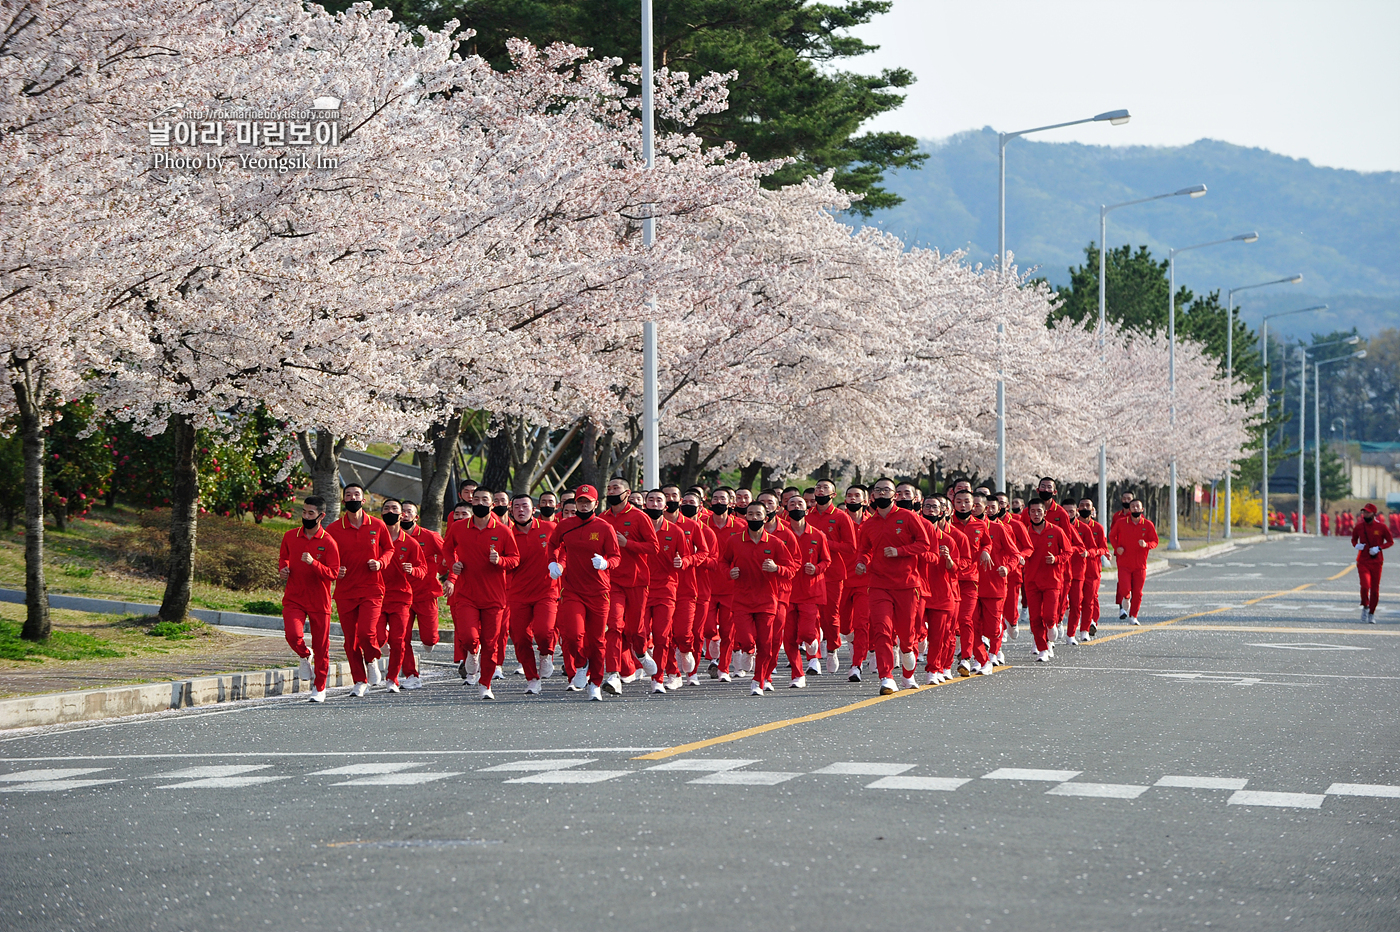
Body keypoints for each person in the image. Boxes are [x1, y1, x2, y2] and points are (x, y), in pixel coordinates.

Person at [854, 477, 931, 695]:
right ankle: (886, 677)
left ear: (894, 495)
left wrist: (900, 552)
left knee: (907, 636)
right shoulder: (868, 524)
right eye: (877, 490)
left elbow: (924, 544)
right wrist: (862, 562)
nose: (881, 494)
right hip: (879, 584)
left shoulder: (908, 517)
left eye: (886, 490)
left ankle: (908, 672)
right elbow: (864, 550)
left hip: (906, 584)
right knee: (882, 630)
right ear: (873, 496)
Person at [442, 487, 521, 699]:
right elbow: (447, 549)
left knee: (491, 642)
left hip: (494, 596)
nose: (479, 503)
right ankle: (471, 651)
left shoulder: (503, 531)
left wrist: (500, 561)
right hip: (467, 593)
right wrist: (453, 564)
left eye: (484, 499)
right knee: (468, 636)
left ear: (492, 504)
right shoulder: (459, 528)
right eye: (475, 499)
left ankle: (485, 684)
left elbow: (515, 559)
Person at [548, 485, 623, 700]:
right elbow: (553, 545)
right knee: (572, 634)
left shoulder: (604, 527)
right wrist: (552, 562)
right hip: (572, 590)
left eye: (587, 502)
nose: (583, 505)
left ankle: (596, 683)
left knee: (598, 640)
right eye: (580, 501)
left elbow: (616, 557)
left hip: (599, 591)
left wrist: (606, 563)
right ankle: (581, 664)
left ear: (595, 504)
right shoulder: (565, 525)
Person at [722, 501, 797, 697]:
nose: (754, 518)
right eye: (751, 514)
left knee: (766, 644)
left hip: (767, 600)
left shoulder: (775, 543)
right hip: (742, 600)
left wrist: (776, 569)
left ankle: (758, 680)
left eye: (758, 514)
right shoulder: (734, 541)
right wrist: (730, 573)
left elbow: (791, 570)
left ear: (766, 518)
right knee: (746, 640)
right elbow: (722, 562)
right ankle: (748, 652)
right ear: (745, 517)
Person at [326, 483, 393, 697]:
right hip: (345, 591)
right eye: (348, 495)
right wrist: (335, 570)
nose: (352, 497)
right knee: (350, 640)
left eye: (357, 495)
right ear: (343, 500)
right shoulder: (334, 529)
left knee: (366, 632)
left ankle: (371, 658)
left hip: (372, 588)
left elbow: (389, 549)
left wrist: (381, 562)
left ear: (363, 500)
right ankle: (359, 681)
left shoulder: (377, 525)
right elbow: (326, 557)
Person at [600, 477, 660, 694]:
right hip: (612, 580)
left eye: (616, 488)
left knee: (635, 629)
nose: (611, 491)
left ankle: (642, 653)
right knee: (614, 625)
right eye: (609, 488)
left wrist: (627, 544)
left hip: (637, 581)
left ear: (627, 492)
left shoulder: (639, 517)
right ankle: (613, 675)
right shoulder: (602, 519)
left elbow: (654, 547)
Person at [278, 495, 340, 703]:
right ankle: (305, 654)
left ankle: (319, 687)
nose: (305, 516)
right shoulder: (290, 536)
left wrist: (314, 563)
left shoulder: (329, 542)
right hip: (294, 597)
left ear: (321, 516)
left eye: (310, 513)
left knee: (322, 646)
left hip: (319, 600)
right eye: (304, 512)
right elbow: (283, 558)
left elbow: (333, 572)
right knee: (292, 635)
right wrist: (283, 569)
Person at [506, 493, 558, 695]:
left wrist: (559, 565)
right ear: (511, 510)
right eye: (516, 506)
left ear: (533, 509)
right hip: (518, 593)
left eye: (525, 506)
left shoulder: (549, 528)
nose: (520, 510)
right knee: (520, 638)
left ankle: (546, 653)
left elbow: (563, 551)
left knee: (544, 632)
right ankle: (532, 678)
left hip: (546, 591)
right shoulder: (507, 534)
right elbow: (503, 561)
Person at [642, 489, 693, 693]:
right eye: (651, 500)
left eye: (659, 501)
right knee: (639, 634)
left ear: (666, 506)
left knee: (662, 636)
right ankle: (670, 670)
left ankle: (659, 678)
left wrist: (683, 561)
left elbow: (688, 557)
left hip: (665, 589)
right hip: (640, 589)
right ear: (645, 504)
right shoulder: (637, 529)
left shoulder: (675, 531)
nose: (655, 503)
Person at [375, 498, 427, 692]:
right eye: (386, 508)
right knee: (377, 637)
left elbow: (423, 570)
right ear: (382, 514)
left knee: (399, 641)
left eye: (394, 508)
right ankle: (382, 648)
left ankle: (392, 679)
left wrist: (412, 570)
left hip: (401, 598)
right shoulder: (374, 540)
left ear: (402, 515)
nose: (390, 511)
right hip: (376, 596)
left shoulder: (411, 543)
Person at [809, 478, 857, 677]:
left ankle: (832, 649)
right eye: (818, 487)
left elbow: (851, 547)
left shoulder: (841, 517)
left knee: (831, 616)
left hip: (833, 574)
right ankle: (813, 657)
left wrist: (826, 543)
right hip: (810, 574)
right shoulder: (807, 516)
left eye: (825, 488)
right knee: (811, 615)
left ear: (833, 494)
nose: (820, 490)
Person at [782, 496, 831, 688]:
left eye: (800, 504)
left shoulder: (817, 535)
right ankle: (798, 674)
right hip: (786, 592)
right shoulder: (781, 534)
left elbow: (826, 561)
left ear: (807, 508)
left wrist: (817, 568)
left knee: (807, 632)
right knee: (789, 636)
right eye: (792, 504)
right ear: (785, 507)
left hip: (810, 591)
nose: (796, 507)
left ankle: (813, 645)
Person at [398, 502, 444, 689]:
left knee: (429, 638)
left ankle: (431, 641)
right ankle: (411, 675)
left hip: (426, 594)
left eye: (409, 512)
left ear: (416, 517)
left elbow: (449, 554)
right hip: (401, 596)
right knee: (401, 637)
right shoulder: (390, 537)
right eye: (402, 512)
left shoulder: (429, 536)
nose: (405, 515)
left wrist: (447, 575)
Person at [1023, 499, 1072, 662]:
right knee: (1035, 618)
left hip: (1052, 580)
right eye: (1033, 511)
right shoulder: (1025, 532)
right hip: (1031, 581)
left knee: (1050, 616)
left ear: (1045, 513)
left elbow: (1068, 552)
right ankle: (1043, 648)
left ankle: (1051, 630)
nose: (1036, 514)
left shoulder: (1056, 531)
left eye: (1039, 511)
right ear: (1028, 513)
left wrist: (1057, 559)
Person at [950, 488, 989, 676]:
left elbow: (987, 542)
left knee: (966, 619)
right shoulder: (948, 525)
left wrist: (986, 551)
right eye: (958, 501)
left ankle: (968, 658)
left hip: (969, 579)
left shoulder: (980, 526)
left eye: (966, 501)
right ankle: (943, 663)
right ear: (953, 503)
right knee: (950, 623)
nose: (962, 505)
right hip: (948, 580)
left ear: (973, 505)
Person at [1108, 498, 1158, 625]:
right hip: (1124, 562)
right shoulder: (1121, 522)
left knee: (1138, 592)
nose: (1135, 508)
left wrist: (1146, 545)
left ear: (1142, 509)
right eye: (1133, 507)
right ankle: (1126, 597)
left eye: (1138, 506)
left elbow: (1155, 541)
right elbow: (1111, 536)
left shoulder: (1148, 525)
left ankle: (1133, 616)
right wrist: (1116, 547)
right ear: (1129, 510)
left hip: (1140, 565)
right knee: (1125, 588)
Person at [1352, 502, 1394, 623]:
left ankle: (1371, 613)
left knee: (1375, 590)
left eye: (1367, 512)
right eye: (1363, 512)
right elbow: (1354, 539)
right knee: (1365, 586)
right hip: (1363, 561)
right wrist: (1357, 545)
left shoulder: (1381, 527)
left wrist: (1379, 548)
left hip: (1376, 562)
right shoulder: (1359, 526)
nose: (1364, 514)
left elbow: (1390, 541)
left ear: (1373, 514)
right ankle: (1365, 606)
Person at [1074, 499, 1109, 642]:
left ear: (1093, 509)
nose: (1084, 508)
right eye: (1081, 505)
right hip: (1075, 569)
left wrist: (1091, 553)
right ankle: (1070, 629)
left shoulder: (1098, 528)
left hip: (1092, 570)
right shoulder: (1072, 526)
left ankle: (1086, 629)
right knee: (1075, 601)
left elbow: (1103, 548)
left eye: (1087, 506)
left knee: (1090, 599)